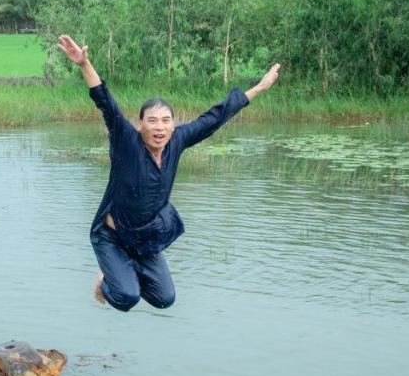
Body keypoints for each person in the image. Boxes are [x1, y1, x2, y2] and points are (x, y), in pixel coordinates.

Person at [55, 34, 279, 312]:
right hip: (111, 236)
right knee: (127, 298)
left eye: (165, 121)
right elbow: (105, 102)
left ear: (173, 124)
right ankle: (106, 280)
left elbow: (214, 118)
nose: (159, 128)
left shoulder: (178, 141)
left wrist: (258, 88)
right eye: (152, 121)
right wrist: (84, 65)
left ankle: (123, 269)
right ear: (140, 124)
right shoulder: (126, 141)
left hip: (145, 239)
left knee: (165, 299)